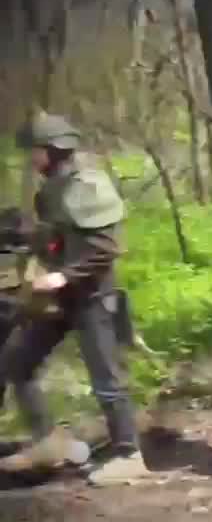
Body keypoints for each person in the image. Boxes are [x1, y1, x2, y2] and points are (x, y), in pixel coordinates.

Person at [0, 113, 134, 482]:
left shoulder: (87, 183)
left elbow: (107, 248)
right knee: (17, 361)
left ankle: (129, 454)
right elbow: (56, 237)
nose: (31, 157)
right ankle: (48, 440)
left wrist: (63, 275)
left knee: (107, 378)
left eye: (36, 150)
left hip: (92, 295)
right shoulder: (52, 188)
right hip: (60, 299)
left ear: (53, 150)